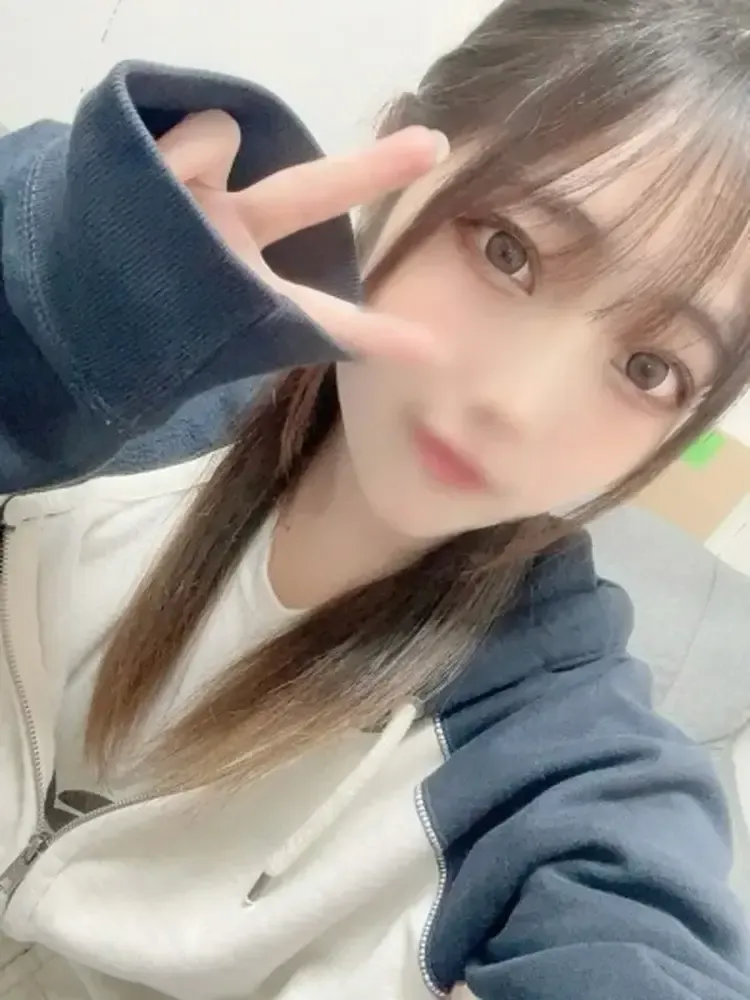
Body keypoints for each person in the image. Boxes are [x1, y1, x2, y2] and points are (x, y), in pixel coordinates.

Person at [1, 1, 750, 997]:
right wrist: (57, 338)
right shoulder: (118, 381)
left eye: (650, 367)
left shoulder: (562, 777)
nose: (516, 405)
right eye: (509, 251)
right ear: (398, 158)